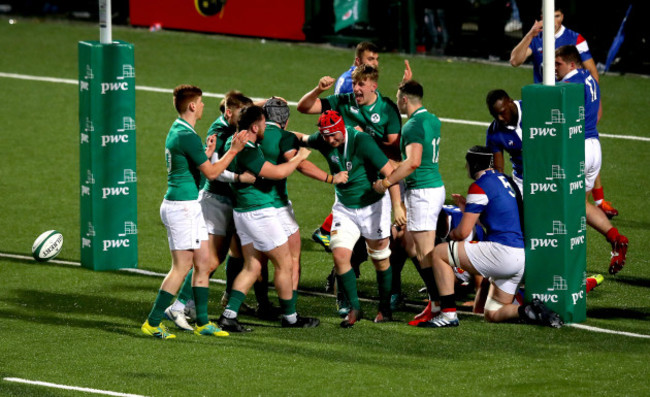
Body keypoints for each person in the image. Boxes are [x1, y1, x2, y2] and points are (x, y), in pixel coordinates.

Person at [141, 84, 248, 339]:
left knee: (202, 263)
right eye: (200, 103)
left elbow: (196, 163)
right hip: (181, 208)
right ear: (192, 106)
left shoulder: (181, 130)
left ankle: (202, 322)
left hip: (191, 206)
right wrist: (233, 150)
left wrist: (208, 152)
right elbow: (211, 173)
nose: (202, 107)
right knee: (181, 267)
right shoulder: (186, 135)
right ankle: (153, 322)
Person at [419, 146, 563, 328]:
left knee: (439, 253)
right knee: (493, 312)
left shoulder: (479, 186)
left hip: (502, 253)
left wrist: (451, 234)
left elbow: (462, 233)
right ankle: (529, 310)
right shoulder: (507, 181)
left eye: (467, 164)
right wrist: (467, 210)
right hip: (521, 258)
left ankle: (447, 315)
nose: (466, 167)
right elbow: (500, 217)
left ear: (474, 164)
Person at [295, 110, 406, 327]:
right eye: (325, 136)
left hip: (373, 207)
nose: (329, 140)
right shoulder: (324, 139)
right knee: (339, 254)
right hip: (345, 208)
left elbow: (390, 172)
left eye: (333, 135)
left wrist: (397, 206)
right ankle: (355, 307)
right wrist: (272, 128)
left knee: (380, 259)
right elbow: (301, 138)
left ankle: (384, 308)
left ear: (341, 129)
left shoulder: (362, 141)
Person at [509, 2, 619, 217]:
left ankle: (541, 212)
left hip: (561, 106)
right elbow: (515, 60)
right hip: (551, 109)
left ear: (562, 16)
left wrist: (594, 105)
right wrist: (530, 34)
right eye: (547, 16)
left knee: (559, 175)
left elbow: (591, 72)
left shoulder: (575, 40)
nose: (552, 20)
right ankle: (593, 214)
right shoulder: (538, 37)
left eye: (556, 15)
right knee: (579, 193)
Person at [217, 105, 319, 332]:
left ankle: (228, 316)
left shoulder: (233, 143)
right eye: (263, 123)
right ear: (254, 126)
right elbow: (279, 173)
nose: (265, 127)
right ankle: (291, 318)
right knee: (284, 264)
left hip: (242, 212)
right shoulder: (249, 151)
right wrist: (299, 157)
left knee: (253, 266)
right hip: (259, 213)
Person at [162, 90, 258, 331]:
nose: (246, 116)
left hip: (225, 201)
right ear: (229, 112)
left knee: (228, 254)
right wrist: (239, 177)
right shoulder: (217, 131)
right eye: (242, 112)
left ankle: (209, 302)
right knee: (207, 260)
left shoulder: (230, 124)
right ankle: (181, 304)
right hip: (213, 200)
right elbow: (214, 170)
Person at [371, 80, 445, 326]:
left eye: (398, 96)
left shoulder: (412, 125)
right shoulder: (432, 120)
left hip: (422, 191)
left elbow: (412, 163)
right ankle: (436, 304)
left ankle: (442, 306)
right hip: (430, 186)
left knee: (425, 252)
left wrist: (386, 182)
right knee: (413, 247)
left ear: (404, 100)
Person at [555, 45, 628, 275]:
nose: (555, 69)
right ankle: (616, 238)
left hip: (579, 149)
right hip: (594, 147)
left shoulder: (572, 82)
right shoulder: (589, 78)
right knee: (579, 205)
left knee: (562, 209)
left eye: (558, 64)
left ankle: (567, 268)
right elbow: (596, 115)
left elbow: (548, 98)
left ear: (572, 64)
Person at [485, 89, 524, 195]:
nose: (500, 118)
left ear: (510, 102)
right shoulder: (494, 133)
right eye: (495, 115)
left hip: (548, 173)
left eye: (502, 112)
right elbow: (498, 170)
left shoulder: (531, 108)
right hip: (522, 180)